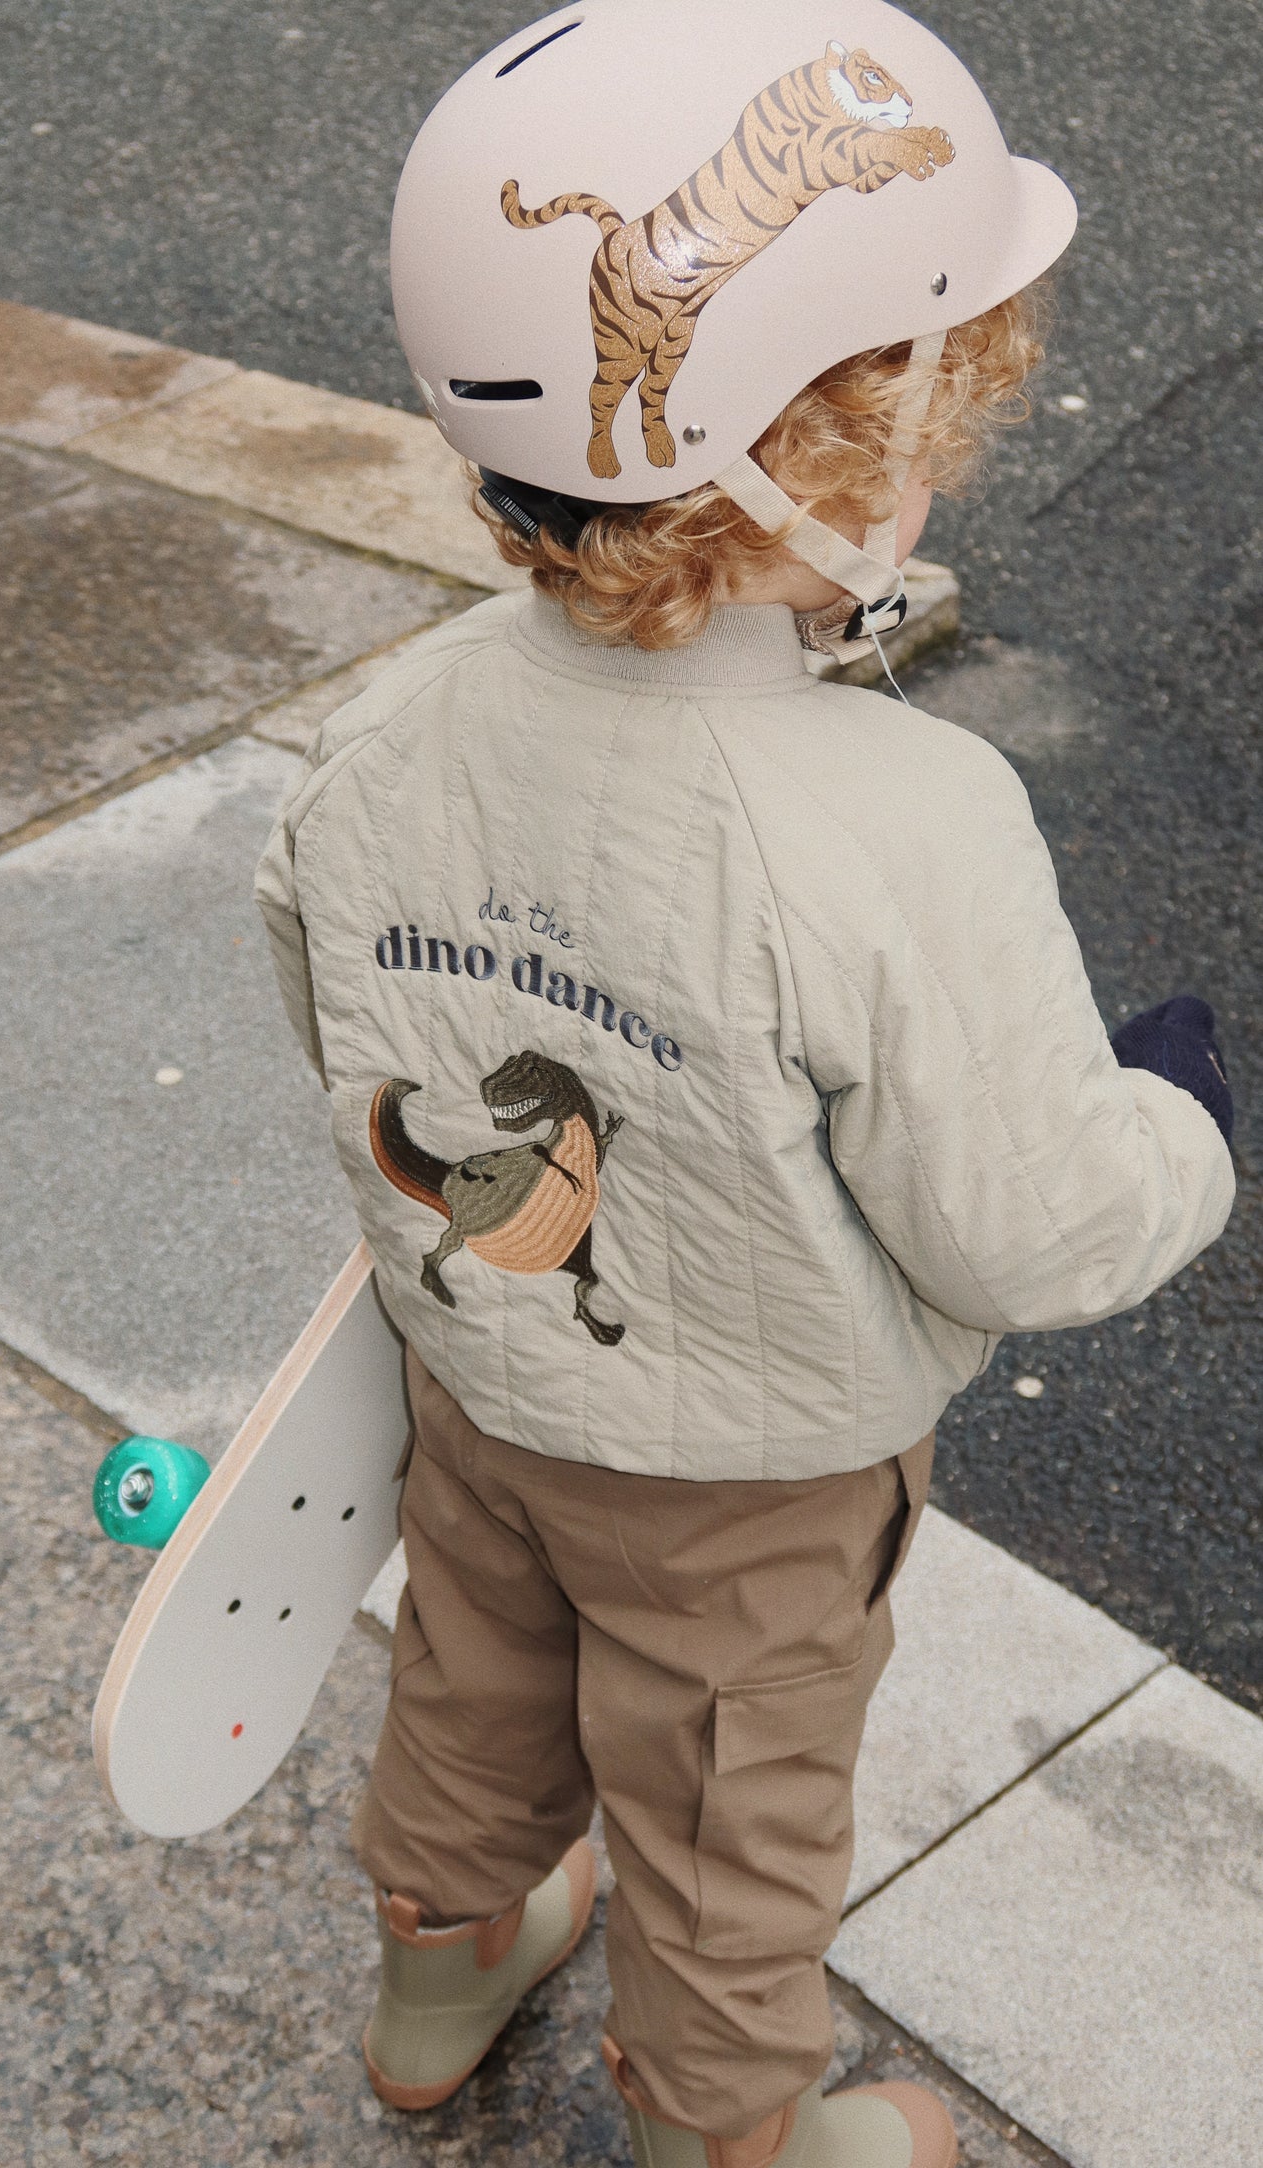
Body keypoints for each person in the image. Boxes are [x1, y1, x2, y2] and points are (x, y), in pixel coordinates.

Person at [256, 5, 1236, 2162]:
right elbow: (1031, 1220)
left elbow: (342, 1020)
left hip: (488, 1386)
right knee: (721, 1804)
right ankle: (738, 2135)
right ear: (866, 442)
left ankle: (437, 1982)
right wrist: (1179, 1129)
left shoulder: (380, 733)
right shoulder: (904, 816)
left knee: (477, 1667)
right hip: (751, 1484)